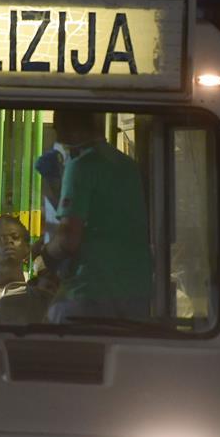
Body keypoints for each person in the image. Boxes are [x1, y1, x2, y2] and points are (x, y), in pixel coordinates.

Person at [32, 110, 154, 322]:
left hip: (91, 291)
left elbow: (67, 238)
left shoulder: (80, 166)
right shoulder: (127, 166)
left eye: (58, 127)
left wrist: (45, 257)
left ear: (70, 128)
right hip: (137, 291)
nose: (57, 133)